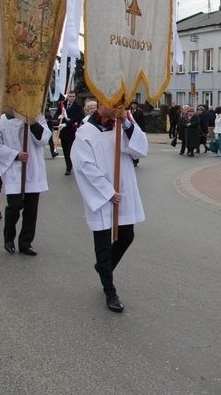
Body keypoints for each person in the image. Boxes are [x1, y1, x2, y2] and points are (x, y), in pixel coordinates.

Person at [71, 102, 147, 313]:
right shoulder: (85, 131)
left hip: (122, 189)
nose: (116, 108)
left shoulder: (122, 124)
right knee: (103, 243)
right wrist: (106, 191)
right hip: (102, 193)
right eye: (112, 105)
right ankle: (109, 290)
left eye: (119, 105)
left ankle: (104, 267)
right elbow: (83, 164)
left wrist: (127, 125)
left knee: (126, 236)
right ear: (101, 104)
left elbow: (140, 149)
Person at [0, 111, 51, 256]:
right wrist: (15, 155)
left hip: (33, 168)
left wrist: (32, 122)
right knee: (15, 205)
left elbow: (43, 140)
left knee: (31, 209)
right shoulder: (0, 120)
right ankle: (9, 238)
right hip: (14, 169)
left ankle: (25, 243)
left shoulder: (36, 117)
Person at [55, 91, 84, 175]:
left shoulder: (77, 107)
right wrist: (58, 117)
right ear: (67, 97)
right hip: (63, 132)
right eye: (70, 96)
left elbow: (77, 118)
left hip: (72, 131)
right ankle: (67, 164)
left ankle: (69, 167)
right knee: (64, 150)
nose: (72, 98)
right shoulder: (62, 105)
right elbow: (56, 114)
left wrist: (66, 123)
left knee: (70, 150)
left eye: (73, 96)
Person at [129, 100, 146, 165]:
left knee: (136, 146)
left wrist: (143, 131)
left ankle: (135, 160)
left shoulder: (140, 112)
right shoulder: (128, 112)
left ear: (137, 105)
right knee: (130, 145)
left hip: (137, 130)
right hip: (130, 130)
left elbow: (142, 122)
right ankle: (131, 159)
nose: (133, 105)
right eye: (132, 104)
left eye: (135, 104)